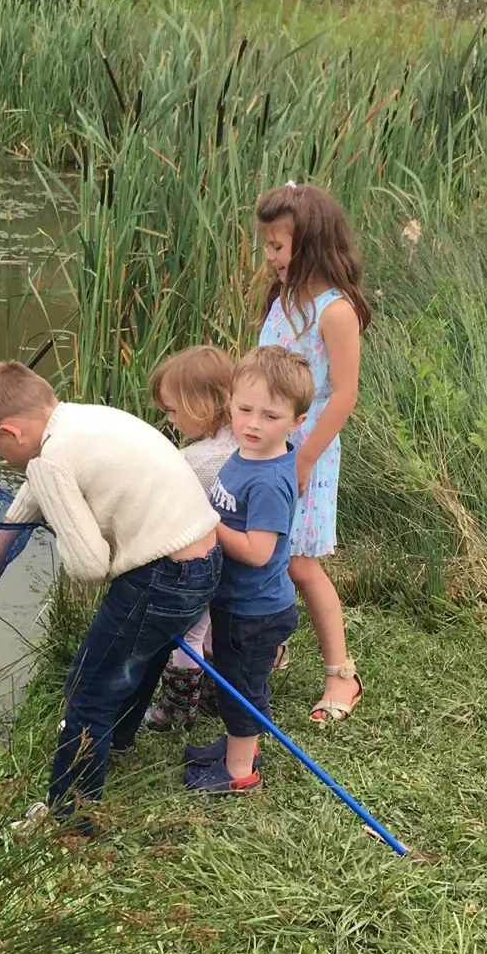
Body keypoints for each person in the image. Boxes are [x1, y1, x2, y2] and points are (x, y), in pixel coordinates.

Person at [0, 360, 221, 832]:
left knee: (88, 689)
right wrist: (1, 542)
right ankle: (116, 745)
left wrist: (63, 523)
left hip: (161, 574)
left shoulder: (50, 460)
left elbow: (88, 566)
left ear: (11, 431)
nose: (3, 460)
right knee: (135, 661)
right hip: (203, 562)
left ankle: (69, 821)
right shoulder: (81, 419)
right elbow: (43, 485)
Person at [255, 182, 372, 723]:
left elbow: (344, 395)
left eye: (279, 247)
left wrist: (303, 459)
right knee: (263, 552)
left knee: (300, 563)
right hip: (266, 443)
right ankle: (272, 643)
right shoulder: (283, 300)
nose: (271, 257)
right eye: (270, 246)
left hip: (309, 449)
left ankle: (341, 675)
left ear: (314, 243)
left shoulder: (335, 312)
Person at [183, 346, 311, 792]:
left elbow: (258, 552)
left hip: (254, 612)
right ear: (230, 404)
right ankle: (239, 746)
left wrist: (208, 523)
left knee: (242, 692)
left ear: (297, 422)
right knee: (236, 684)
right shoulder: (244, 455)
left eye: (271, 417)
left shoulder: (271, 479)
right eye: (244, 410)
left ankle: (241, 771)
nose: (254, 424)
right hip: (235, 603)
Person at [143, 345, 239, 733]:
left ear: (200, 405)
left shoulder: (195, 460)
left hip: (202, 564)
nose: (171, 419)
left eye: (173, 410)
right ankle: (216, 695)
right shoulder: (248, 444)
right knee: (218, 629)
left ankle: (177, 708)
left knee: (190, 634)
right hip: (240, 565)